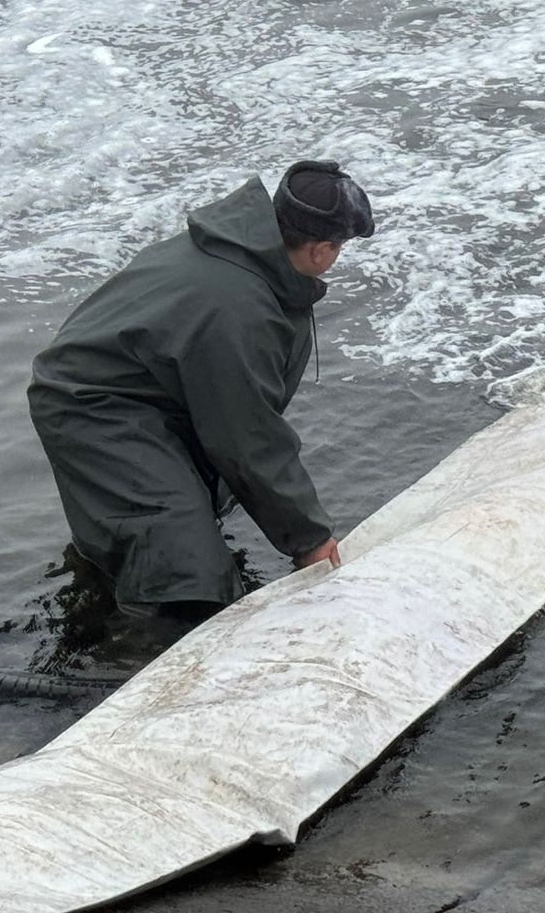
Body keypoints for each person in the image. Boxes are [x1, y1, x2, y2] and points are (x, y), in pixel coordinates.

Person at [27, 160, 373, 626]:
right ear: (319, 249)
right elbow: (248, 438)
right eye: (339, 247)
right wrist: (309, 540)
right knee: (191, 578)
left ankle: (108, 572)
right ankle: (131, 650)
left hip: (147, 390)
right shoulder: (239, 306)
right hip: (92, 404)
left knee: (180, 517)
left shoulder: (241, 247)